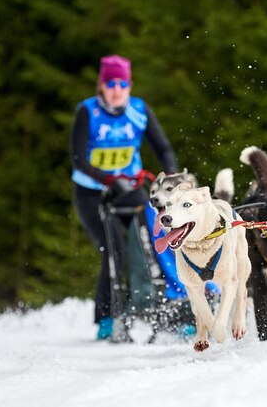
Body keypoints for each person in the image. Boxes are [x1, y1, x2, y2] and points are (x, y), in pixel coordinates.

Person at [69, 54, 178, 340]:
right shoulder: (88, 111)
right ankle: (108, 317)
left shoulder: (139, 109)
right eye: (111, 83)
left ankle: (170, 311)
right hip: (93, 191)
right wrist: (108, 179)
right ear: (101, 86)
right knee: (113, 250)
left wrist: (173, 178)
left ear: (129, 85)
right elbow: (79, 158)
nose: (117, 90)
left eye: (122, 83)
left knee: (159, 241)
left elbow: (163, 148)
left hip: (129, 189)